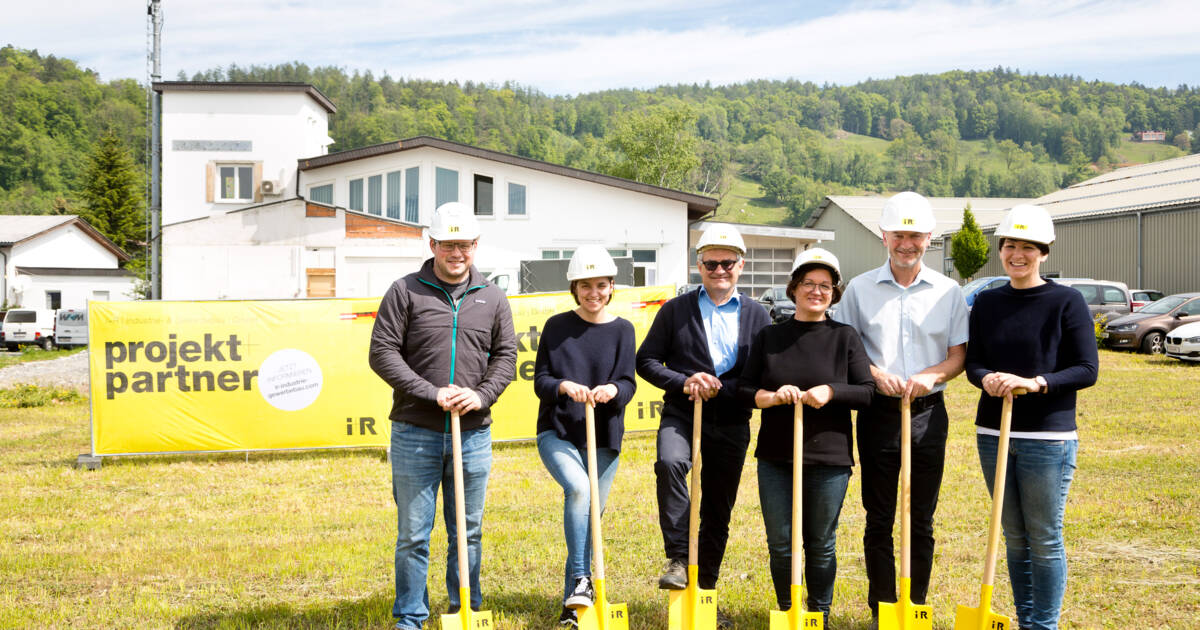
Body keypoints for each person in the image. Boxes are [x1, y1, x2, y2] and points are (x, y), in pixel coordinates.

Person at [368, 201, 518, 630]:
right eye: (449, 244)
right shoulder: (404, 291)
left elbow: (506, 356)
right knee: (413, 534)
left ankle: (464, 610)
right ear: (432, 243)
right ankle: (410, 617)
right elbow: (382, 354)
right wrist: (431, 393)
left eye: (465, 244)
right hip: (415, 431)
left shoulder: (492, 297)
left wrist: (483, 394)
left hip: (472, 434)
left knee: (467, 532)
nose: (458, 253)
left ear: (476, 245)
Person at [831, 191, 969, 621]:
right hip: (878, 414)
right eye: (898, 235)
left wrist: (932, 375)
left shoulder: (949, 292)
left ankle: (916, 606)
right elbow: (847, 350)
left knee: (921, 518)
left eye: (915, 235)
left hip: (928, 414)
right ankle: (882, 609)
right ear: (883, 236)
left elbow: (958, 354)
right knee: (879, 517)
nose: (906, 243)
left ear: (929, 237)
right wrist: (874, 374)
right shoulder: (859, 289)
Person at [964, 205, 1098, 630]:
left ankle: (1043, 625)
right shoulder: (987, 301)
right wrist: (987, 379)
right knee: (1015, 538)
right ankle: (1025, 619)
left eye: (1026, 247)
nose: (1016, 254)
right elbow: (974, 363)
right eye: (1009, 246)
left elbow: (1086, 369)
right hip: (993, 432)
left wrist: (1036, 382)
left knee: (1043, 537)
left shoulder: (1067, 301)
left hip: (1047, 438)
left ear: (1044, 252)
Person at [636, 223, 771, 629]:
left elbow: (761, 373)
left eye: (727, 263)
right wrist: (685, 381)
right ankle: (678, 556)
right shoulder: (675, 311)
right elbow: (647, 361)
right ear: (699, 265)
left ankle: (706, 592)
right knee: (670, 464)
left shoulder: (758, 315)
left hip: (731, 421)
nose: (719, 270)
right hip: (681, 413)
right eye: (711, 263)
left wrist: (722, 388)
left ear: (740, 265)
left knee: (717, 507)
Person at [738, 248, 874, 625]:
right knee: (781, 544)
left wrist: (831, 391)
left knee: (821, 544)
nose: (817, 291)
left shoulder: (844, 337)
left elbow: (866, 392)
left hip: (829, 458)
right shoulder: (770, 337)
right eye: (809, 284)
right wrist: (767, 398)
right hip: (776, 457)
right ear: (794, 289)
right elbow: (745, 389)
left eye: (826, 286)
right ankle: (788, 611)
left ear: (835, 292)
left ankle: (819, 614)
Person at [533, 245, 638, 628]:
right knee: (579, 492)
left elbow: (629, 382)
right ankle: (582, 579)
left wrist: (613, 390)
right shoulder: (557, 326)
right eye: (585, 286)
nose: (594, 293)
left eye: (601, 285)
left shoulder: (624, 330)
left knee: (589, 520)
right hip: (558, 431)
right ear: (574, 289)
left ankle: (572, 609)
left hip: (604, 437)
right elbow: (540, 381)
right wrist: (563, 386)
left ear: (612, 286)